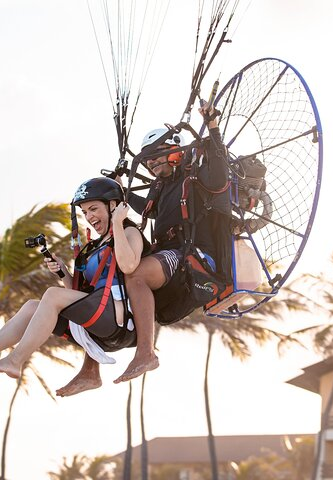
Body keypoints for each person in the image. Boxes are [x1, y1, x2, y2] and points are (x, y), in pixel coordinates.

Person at [0, 177, 150, 396]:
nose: (90, 217)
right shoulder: (93, 247)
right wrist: (63, 273)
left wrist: (119, 223)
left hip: (118, 320)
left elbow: (129, 265)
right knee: (33, 306)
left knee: (52, 295)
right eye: (84, 213)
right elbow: (80, 294)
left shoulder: (130, 232)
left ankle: (15, 360)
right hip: (98, 316)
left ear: (113, 206)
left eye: (94, 209)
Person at [114, 103, 231, 384]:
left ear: (174, 150)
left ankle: (146, 353)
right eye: (148, 162)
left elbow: (219, 176)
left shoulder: (196, 176)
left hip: (194, 256)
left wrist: (213, 127)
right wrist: (119, 192)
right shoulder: (160, 187)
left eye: (156, 158)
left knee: (137, 274)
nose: (152, 165)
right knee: (113, 274)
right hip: (171, 255)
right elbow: (147, 210)